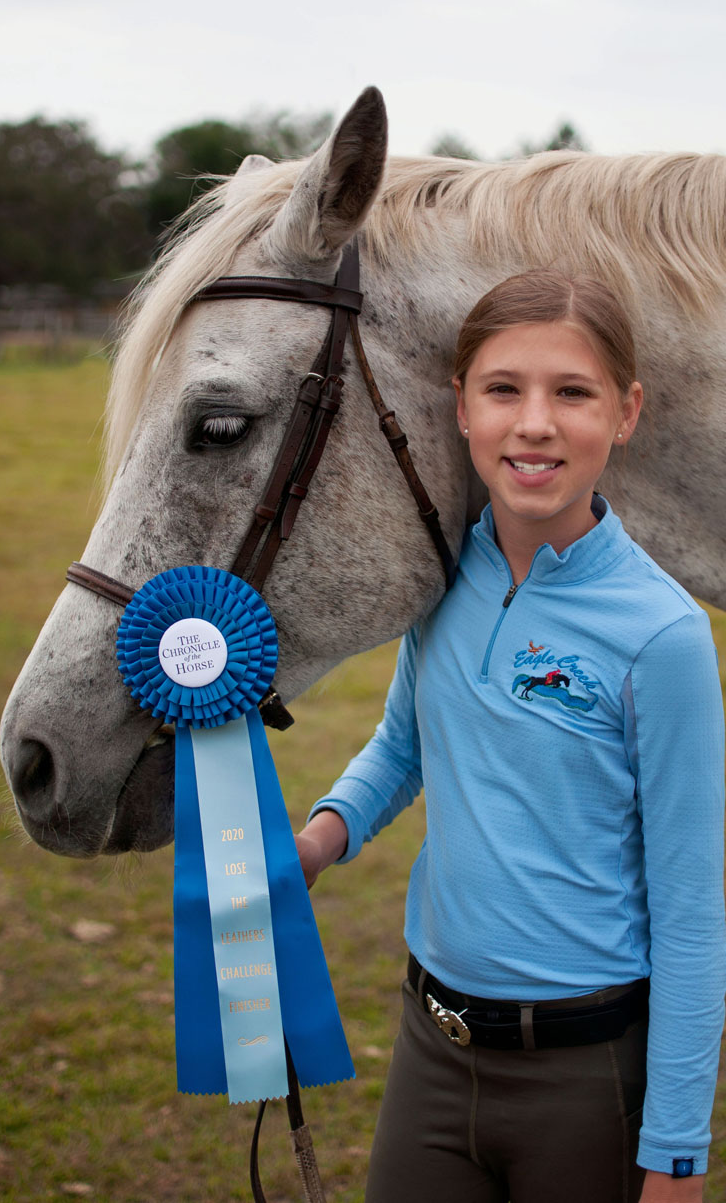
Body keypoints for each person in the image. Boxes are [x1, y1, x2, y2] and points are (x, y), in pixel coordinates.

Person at [294, 270, 726, 1203]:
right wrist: (319, 841)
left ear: (625, 413)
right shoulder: (444, 573)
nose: (534, 424)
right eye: (503, 389)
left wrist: (677, 1154)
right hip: (432, 1050)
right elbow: (404, 744)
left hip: (585, 1076)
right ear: (461, 408)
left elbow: (693, 912)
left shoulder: (664, 636)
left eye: (572, 392)